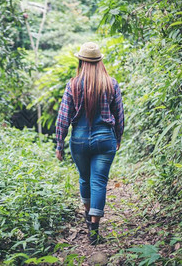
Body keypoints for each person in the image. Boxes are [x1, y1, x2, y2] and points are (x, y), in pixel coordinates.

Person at [55, 42, 124, 245]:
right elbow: (119, 115)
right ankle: (94, 231)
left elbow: (63, 117)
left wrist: (59, 144)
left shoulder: (73, 84)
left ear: (81, 61)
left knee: (85, 180)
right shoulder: (111, 84)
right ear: (99, 61)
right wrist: (118, 137)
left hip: (79, 140)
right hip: (105, 140)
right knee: (99, 182)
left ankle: (88, 217)